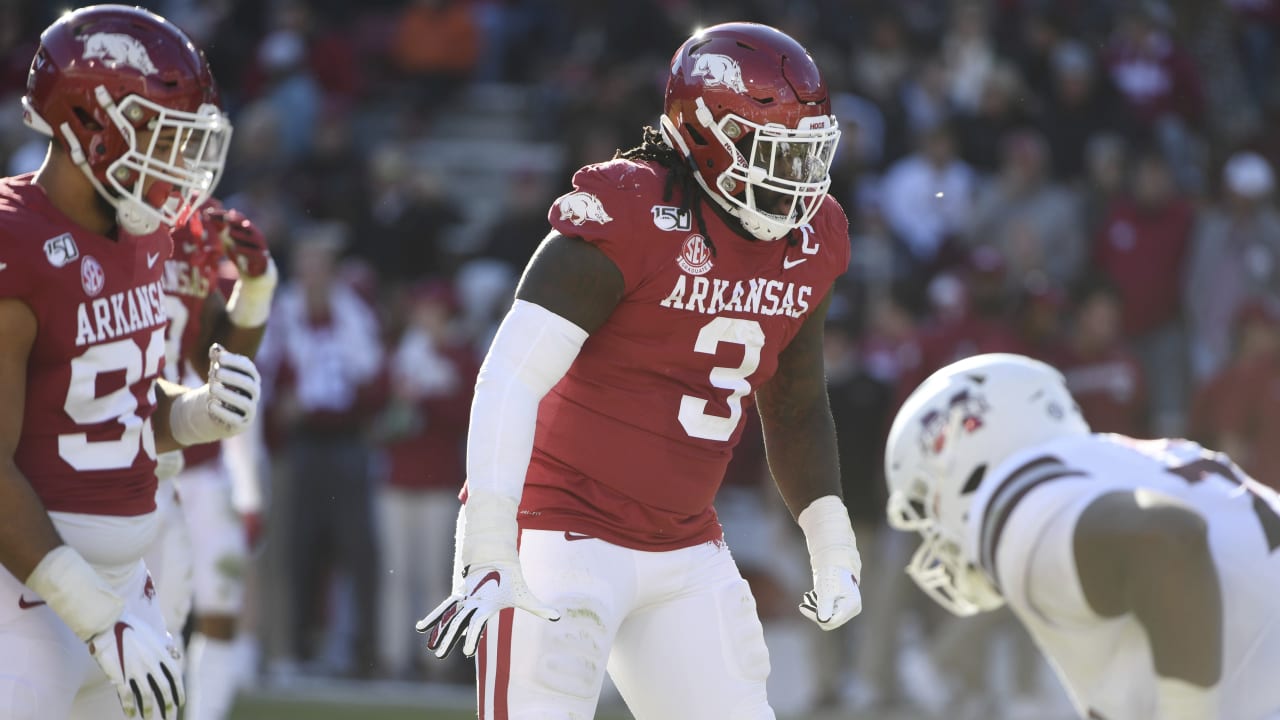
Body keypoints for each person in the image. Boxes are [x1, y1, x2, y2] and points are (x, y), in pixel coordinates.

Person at [416, 22, 863, 719]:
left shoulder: (815, 240)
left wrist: (830, 539)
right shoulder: (630, 211)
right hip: (558, 533)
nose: (794, 179)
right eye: (773, 151)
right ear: (710, 135)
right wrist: (489, 541)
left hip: (685, 545)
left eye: (805, 156)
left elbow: (798, 404)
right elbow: (511, 375)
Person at [0, 6, 262, 720]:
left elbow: (113, 409)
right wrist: (94, 616)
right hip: (26, 599)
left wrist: (196, 412)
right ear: (92, 124)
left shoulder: (142, 230)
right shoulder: (14, 241)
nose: (180, 163)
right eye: (162, 134)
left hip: (127, 588)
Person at [884, 353, 1280, 719]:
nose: (936, 532)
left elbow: (1167, 538)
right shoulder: (1131, 457)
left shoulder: (1022, 505)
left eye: (928, 505)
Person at [144, 200, 276, 720]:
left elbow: (228, 366)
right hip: (138, 453)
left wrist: (248, 493)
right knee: (153, 613)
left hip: (200, 465)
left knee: (217, 604)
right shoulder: (116, 233)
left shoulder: (200, 242)